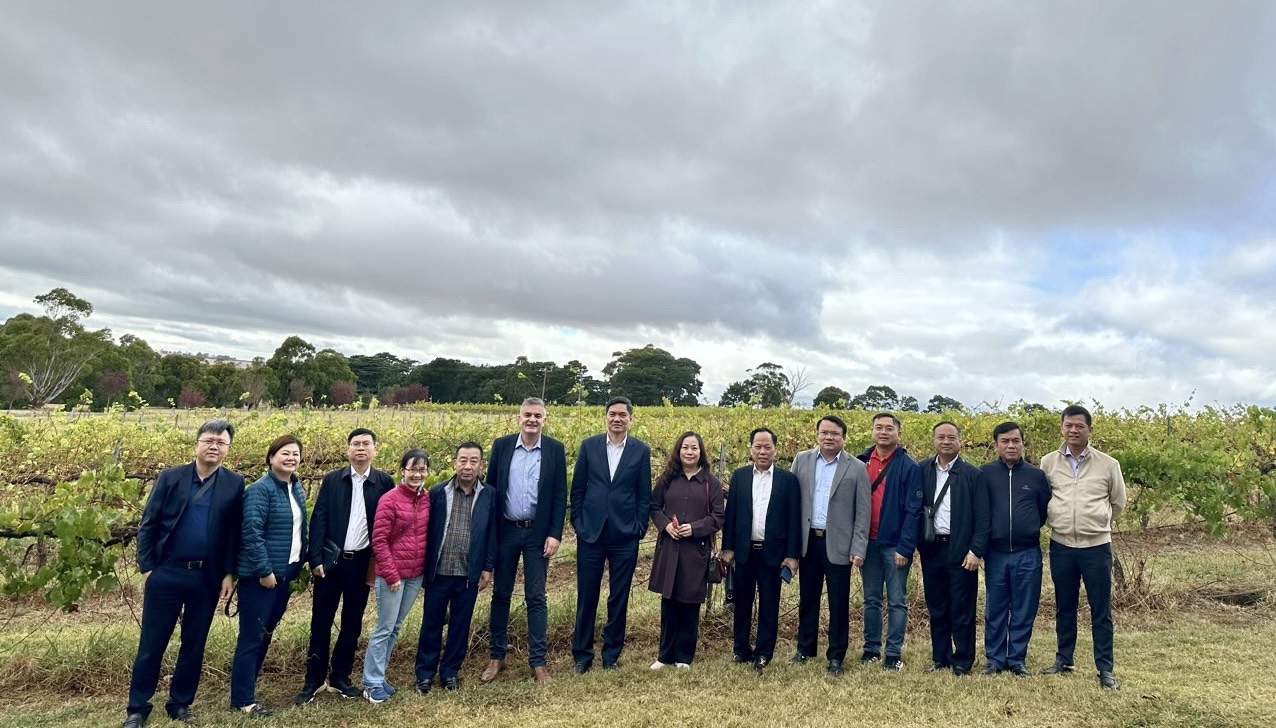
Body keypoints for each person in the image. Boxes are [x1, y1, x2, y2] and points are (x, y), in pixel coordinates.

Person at [123, 420, 244, 728]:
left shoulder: (234, 483)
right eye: (209, 440)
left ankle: (180, 703)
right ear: (197, 444)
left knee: (194, 643)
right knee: (152, 642)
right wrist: (148, 568)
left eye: (221, 442)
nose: (214, 446)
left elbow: (232, 533)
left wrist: (228, 573)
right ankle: (137, 707)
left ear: (228, 448)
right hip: (167, 572)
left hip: (206, 577)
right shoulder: (171, 477)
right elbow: (149, 523)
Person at [296, 428, 395, 704]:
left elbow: (390, 522)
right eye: (355, 444)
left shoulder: (384, 482)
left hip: (361, 563)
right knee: (321, 621)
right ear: (348, 449)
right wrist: (315, 558)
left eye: (366, 443)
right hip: (331, 562)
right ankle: (314, 679)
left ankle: (341, 676)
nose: (360, 448)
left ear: (375, 448)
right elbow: (319, 518)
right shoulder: (332, 479)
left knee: (352, 622)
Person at [1040, 405, 1127, 690]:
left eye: (1079, 426)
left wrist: (1097, 522)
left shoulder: (1108, 464)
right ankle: (1064, 659)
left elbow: (1118, 502)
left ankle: (1105, 668)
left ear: (1089, 429)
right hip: (1062, 545)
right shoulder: (1048, 462)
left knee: (1101, 609)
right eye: (1069, 425)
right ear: (1062, 428)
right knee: (1064, 606)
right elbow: (1044, 497)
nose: (1073, 430)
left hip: (1096, 547)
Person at [481, 397, 568, 684]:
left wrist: (555, 533)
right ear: (519, 418)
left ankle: (538, 662)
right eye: (527, 415)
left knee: (536, 596)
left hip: (537, 534)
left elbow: (559, 495)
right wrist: (490, 534)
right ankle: (496, 657)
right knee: (501, 594)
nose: (532, 420)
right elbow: (491, 490)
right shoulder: (502, 446)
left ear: (545, 419)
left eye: (537, 416)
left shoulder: (555, 449)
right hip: (506, 530)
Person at [570, 396, 653, 672]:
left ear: (630, 419)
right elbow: (578, 489)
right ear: (606, 417)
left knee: (619, 597)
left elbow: (644, 494)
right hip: (591, 533)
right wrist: (579, 523)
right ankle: (582, 655)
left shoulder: (640, 451)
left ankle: (611, 655)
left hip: (624, 535)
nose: (617, 419)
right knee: (587, 596)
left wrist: (639, 527)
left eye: (622, 415)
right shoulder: (589, 446)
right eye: (612, 414)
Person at [230, 435, 308, 716]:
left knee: (265, 634)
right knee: (251, 637)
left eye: (295, 453)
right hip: (261, 578)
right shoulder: (259, 490)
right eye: (285, 453)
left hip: (285, 574)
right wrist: (264, 571)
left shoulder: (295, 487)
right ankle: (243, 700)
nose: (291, 458)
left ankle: (246, 690)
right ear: (271, 457)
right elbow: (252, 533)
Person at [415, 442, 497, 693]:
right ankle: (424, 674)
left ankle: (450, 672)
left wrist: (487, 567)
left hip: (468, 574)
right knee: (431, 623)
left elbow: (492, 533)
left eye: (473, 461)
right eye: (463, 460)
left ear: (481, 465)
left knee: (460, 626)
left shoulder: (489, 495)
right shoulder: (438, 492)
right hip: (439, 571)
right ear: (454, 462)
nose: (468, 466)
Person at [791, 414, 870, 675]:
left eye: (834, 433)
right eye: (824, 432)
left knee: (838, 603)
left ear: (843, 438)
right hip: (808, 542)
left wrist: (858, 547)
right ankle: (805, 648)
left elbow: (863, 511)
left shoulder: (856, 467)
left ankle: (836, 655)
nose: (828, 437)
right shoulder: (801, 460)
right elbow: (791, 502)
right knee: (808, 598)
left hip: (839, 544)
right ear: (817, 435)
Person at [720, 427, 800, 672]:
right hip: (744, 552)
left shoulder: (788, 480)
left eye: (767, 447)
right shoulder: (740, 476)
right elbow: (731, 515)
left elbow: (794, 520)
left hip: (773, 554)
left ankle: (764, 652)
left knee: (769, 605)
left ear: (775, 450)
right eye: (758, 447)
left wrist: (792, 555)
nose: (763, 451)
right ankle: (740, 649)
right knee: (742, 603)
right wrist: (728, 548)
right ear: (751, 449)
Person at [916, 422, 990, 676]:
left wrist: (976, 550)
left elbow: (983, 517)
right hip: (932, 549)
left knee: (962, 607)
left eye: (951, 437)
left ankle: (963, 659)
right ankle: (940, 657)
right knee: (937, 606)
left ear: (960, 441)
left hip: (961, 550)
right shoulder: (923, 469)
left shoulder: (973, 474)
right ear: (934, 440)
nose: (946, 442)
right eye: (941, 437)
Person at [647, 431, 725, 670]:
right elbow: (654, 507)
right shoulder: (668, 479)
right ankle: (664, 655)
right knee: (669, 601)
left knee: (690, 602)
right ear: (678, 451)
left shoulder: (711, 483)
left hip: (696, 551)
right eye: (685, 447)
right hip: (670, 548)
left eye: (694, 448)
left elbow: (718, 517)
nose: (689, 452)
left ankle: (683, 656)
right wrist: (666, 525)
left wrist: (694, 528)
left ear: (701, 452)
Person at [979, 421, 1050, 676]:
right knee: (995, 607)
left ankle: (1017, 658)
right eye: (1005, 441)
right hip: (996, 553)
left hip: (1027, 552)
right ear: (996, 444)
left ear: (1022, 443)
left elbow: (1042, 511)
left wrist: (1026, 528)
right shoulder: (985, 473)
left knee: (1024, 607)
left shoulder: (1036, 476)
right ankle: (994, 659)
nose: (1011, 446)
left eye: (1016, 441)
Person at [361, 448, 432, 703]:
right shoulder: (389, 499)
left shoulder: (426, 498)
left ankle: (379, 676)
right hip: (392, 576)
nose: (417, 474)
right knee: (384, 628)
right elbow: (379, 541)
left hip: (415, 575)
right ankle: (371, 682)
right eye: (412, 469)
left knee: (395, 627)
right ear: (403, 470)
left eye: (422, 469)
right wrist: (391, 575)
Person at [856, 412, 924, 671]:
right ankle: (871, 649)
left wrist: (905, 547)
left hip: (895, 545)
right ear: (872, 431)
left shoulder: (909, 466)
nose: (883, 432)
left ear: (898, 433)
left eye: (889, 428)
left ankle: (893, 652)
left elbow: (914, 510)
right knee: (871, 599)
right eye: (879, 427)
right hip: (867, 543)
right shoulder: (861, 462)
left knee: (897, 600)